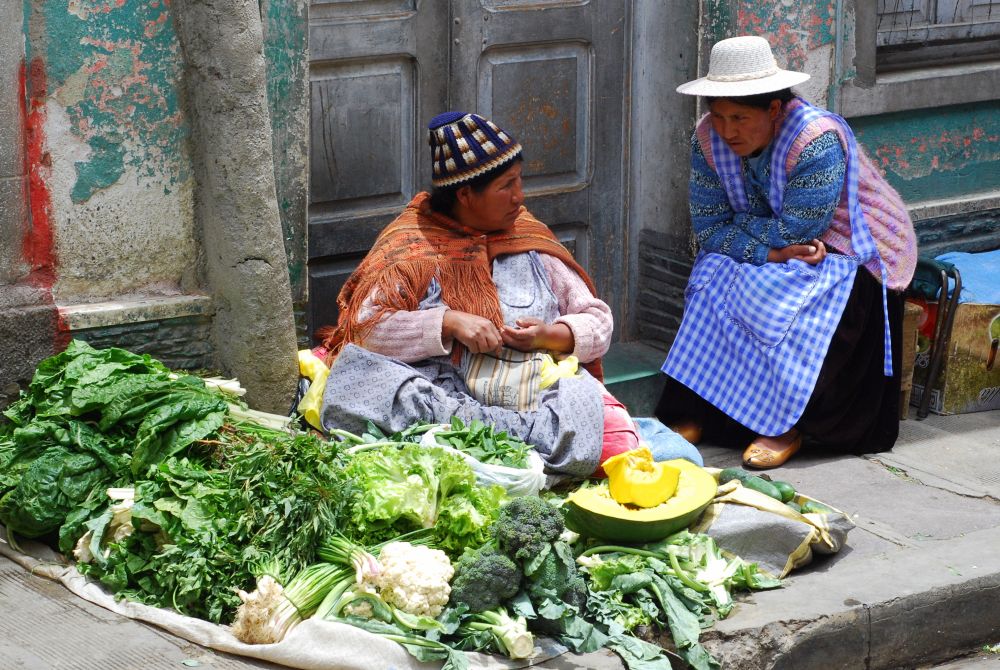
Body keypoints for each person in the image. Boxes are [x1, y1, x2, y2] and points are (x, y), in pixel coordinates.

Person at [316, 111, 647, 479]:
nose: (519, 197)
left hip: (532, 398)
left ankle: (492, 457)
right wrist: (447, 322)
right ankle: (504, 460)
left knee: (618, 442)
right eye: (506, 186)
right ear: (465, 195)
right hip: (444, 401)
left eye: (519, 181)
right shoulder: (410, 247)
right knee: (359, 390)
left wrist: (551, 336)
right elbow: (365, 330)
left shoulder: (529, 240)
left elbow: (597, 321)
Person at [655, 36, 918, 469]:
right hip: (782, 242)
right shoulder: (706, 140)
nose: (728, 130)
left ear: (774, 110)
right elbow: (710, 230)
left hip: (853, 243)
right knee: (712, 275)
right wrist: (768, 253)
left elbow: (801, 230)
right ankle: (704, 412)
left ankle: (789, 425)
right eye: (718, 116)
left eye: (740, 117)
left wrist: (746, 235)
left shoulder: (816, 141)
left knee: (792, 292)